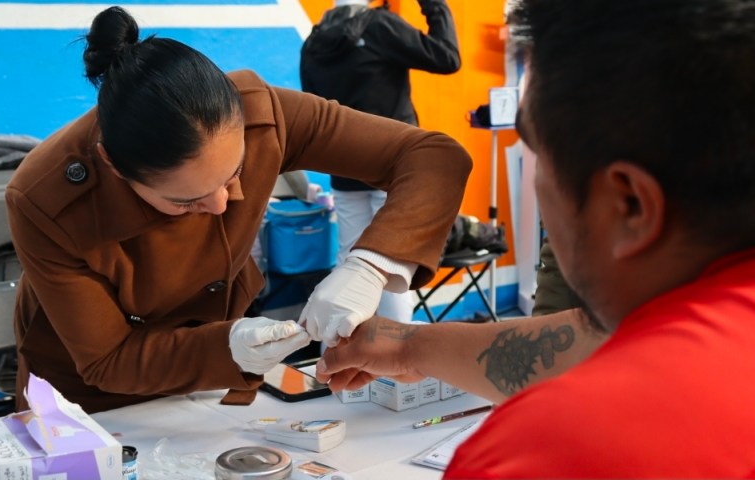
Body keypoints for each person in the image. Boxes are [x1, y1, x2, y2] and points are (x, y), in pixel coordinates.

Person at [315, 0, 755, 476]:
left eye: (538, 152)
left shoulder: (537, 451)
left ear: (628, 204)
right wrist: (410, 345)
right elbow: (592, 343)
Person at [5, 6, 472, 413]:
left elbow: (433, 157)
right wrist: (226, 347)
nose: (221, 203)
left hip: (206, 380)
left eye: (234, 174)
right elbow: (109, 359)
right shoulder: (44, 201)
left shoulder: (263, 115)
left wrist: (370, 265)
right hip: (88, 405)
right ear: (114, 167)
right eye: (186, 201)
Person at [299, 0, 460, 322]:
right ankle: (397, 351)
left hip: (344, 168)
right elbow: (447, 57)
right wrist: (433, 5)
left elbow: (316, 110)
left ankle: (339, 345)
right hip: (393, 166)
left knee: (349, 261)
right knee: (391, 264)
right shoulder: (381, 26)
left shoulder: (314, 41)